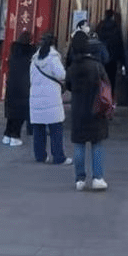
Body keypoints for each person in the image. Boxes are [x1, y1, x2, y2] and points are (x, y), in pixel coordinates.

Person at [65, 35, 109, 191]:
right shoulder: (97, 66)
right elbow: (106, 84)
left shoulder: (72, 68)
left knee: (79, 144)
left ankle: (80, 179)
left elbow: (68, 86)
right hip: (96, 109)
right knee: (97, 143)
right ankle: (97, 177)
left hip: (78, 109)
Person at [29, 32, 71, 164]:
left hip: (36, 97)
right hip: (51, 97)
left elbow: (31, 78)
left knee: (38, 128)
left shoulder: (35, 59)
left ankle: (40, 156)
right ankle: (58, 157)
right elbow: (61, 74)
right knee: (55, 128)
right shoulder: (53, 57)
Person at [3, 31, 33, 146]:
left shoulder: (14, 51)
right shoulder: (30, 52)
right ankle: (15, 136)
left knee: (11, 113)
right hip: (23, 86)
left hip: (12, 84)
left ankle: (7, 134)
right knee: (20, 113)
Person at [95, 9, 124, 96]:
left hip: (100, 58)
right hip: (113, 58)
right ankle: (110, 97)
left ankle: (101, 97)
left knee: (101, 79)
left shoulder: (100, 26)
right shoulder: (116, 28)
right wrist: (122, 60)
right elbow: (119, 44)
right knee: (112, 79)